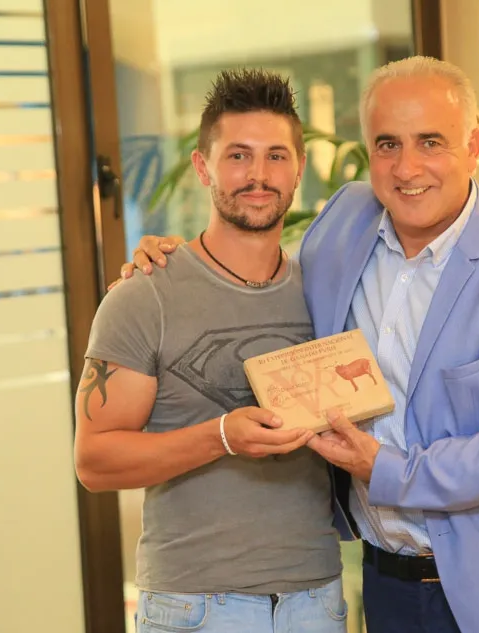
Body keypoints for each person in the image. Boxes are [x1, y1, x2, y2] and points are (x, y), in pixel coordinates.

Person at [121, 57, 479, 633]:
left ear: (473, 146)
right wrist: (180, 261)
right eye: (387, 144)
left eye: (431, 142)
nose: (407, 167)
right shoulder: (347, 218)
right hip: (382, 583)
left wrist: (389, 469)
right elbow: (268, 277)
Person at [74, 68, 348, 633]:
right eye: (238, 156)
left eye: (276, 156)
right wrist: (221, 437)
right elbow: (94, 462)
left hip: (316, 600)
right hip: (194, 607)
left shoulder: (326, 291)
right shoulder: (145, 295)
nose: (259, 175)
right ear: (203, 167)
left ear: (299, 168)